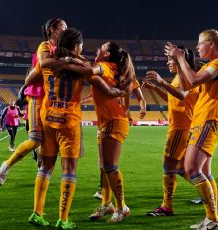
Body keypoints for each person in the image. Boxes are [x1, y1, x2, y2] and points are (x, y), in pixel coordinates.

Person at [28, 28, 125, 228]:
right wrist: (121, 90)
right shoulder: (81, 67)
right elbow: (105, 88)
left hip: (48, 119)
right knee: (68, 170)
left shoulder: (48, 62)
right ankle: (63, 219)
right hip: (69, 122)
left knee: (45, 167)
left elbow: (29, 79)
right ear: (75, 46)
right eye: (80, 45)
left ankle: (37, 213)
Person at [165, 29, 218, 229]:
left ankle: (213, 220)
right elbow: (188, 85)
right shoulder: (212, 65)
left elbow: (193, 80)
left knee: (191, 168)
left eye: (200, 43)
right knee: (204, 171)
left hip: (209, 120)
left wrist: (180, 56)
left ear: (211, 44)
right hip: (202, 121)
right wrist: (179, 62)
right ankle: (211, 218)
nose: (197, 47)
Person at [0, 18, 69, 187]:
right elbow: (40, 69)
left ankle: (41, 169)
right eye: (63, 27)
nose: (65, 30)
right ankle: (6, 166)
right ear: (52, 29)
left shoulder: (61, 50)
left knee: (51, 142)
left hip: (52, 100)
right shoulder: (44, 47)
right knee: (36, 138)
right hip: (37, 96)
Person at [142, 46, 199, 216]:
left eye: (170, 59)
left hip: (181, 127)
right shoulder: (179, 77)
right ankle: (215, 194)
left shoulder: (187, 78)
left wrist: (161, 81)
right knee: (181, 168)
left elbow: (181, 95)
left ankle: (167, 206)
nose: (168, 63)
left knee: (168, 166)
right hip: (179, 126)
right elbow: (173, 98)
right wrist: (156, 89)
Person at [88, 41, 136, 223]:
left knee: (110, 166)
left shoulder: (103, 65)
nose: (97, 49)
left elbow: (90, 72)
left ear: (107, 54)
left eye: (101, 48)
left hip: (113, 121)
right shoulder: (116, 68)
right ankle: (106, 204)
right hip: (110, 120)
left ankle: (122, 207)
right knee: (104, 167)